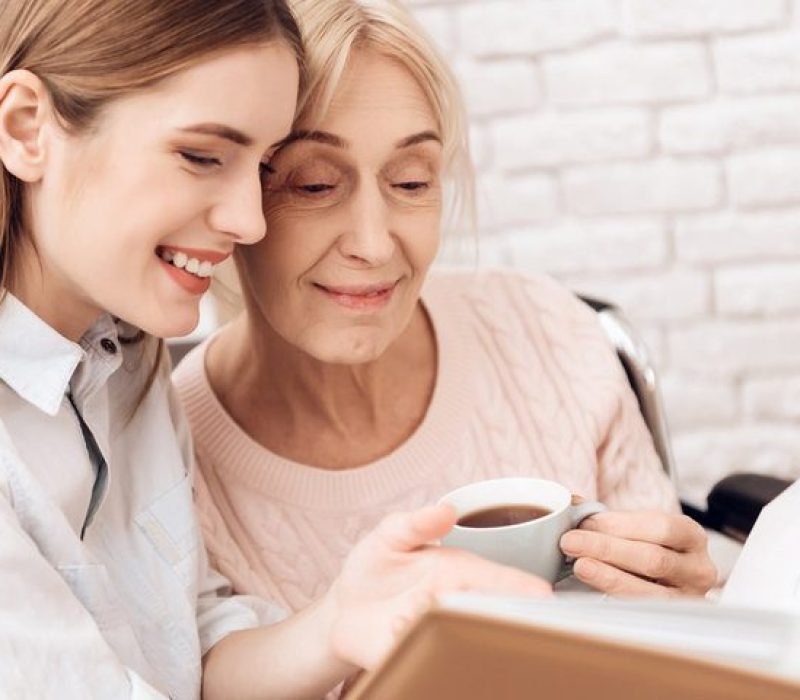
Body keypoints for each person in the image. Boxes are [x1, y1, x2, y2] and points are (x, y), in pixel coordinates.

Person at [0, 1, 553, 698]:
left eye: (263, 168)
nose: (248, 221)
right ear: (26, 127)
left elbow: (186, 647)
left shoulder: (124, 354)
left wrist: (337, 624)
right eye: (202, 157)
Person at [172, 0, 717, 619]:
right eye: (315, 184)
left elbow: (674, 626)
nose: (374, 245)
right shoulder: (167, 460)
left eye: (411, 181)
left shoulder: (546, 330)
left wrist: (693, 604)